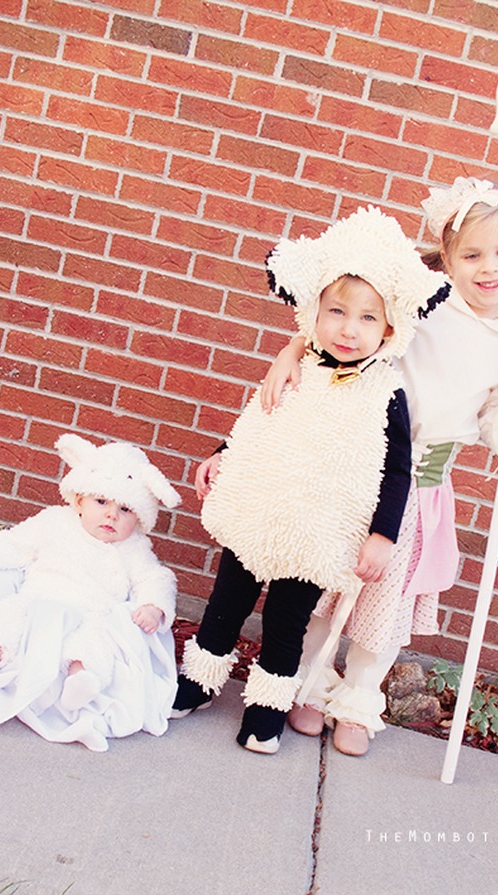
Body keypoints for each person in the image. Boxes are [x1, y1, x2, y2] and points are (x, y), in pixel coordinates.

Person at [256, 177, 498, 756]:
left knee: (382, 611)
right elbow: (342, 331)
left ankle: (359, 700)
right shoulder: (423, 303)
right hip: (359, 466)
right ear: (448, 256)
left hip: (424, 486)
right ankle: (308, 687)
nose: (489, 268)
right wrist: (288, 353)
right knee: (325, 591)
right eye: (471, 254)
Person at [171, 205, 449, 755]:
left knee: (286, 622)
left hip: (318, 531)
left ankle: (266, 707)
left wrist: (382, 535)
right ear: (314, 313)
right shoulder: (297, 368)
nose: (349, 328)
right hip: (262, 511)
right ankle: (198, 682)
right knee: (226, 602)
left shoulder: (385, 392)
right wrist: (222, 454)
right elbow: (261, 420)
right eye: (337, 311)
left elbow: (395, 472)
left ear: (390, 326)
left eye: (367, 318)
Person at [0, 433, 181, 752]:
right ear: (79, 500)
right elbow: (13, 544)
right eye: (101, 502)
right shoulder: (55, 522)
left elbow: (154, 578)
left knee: (94, 643)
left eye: (125, 509)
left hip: (89, 614)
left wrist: (154, 606)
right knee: (7, 619)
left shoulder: (133, 548)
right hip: (39, 601)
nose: (111, 515)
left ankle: (81, 683)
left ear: (139, 519)